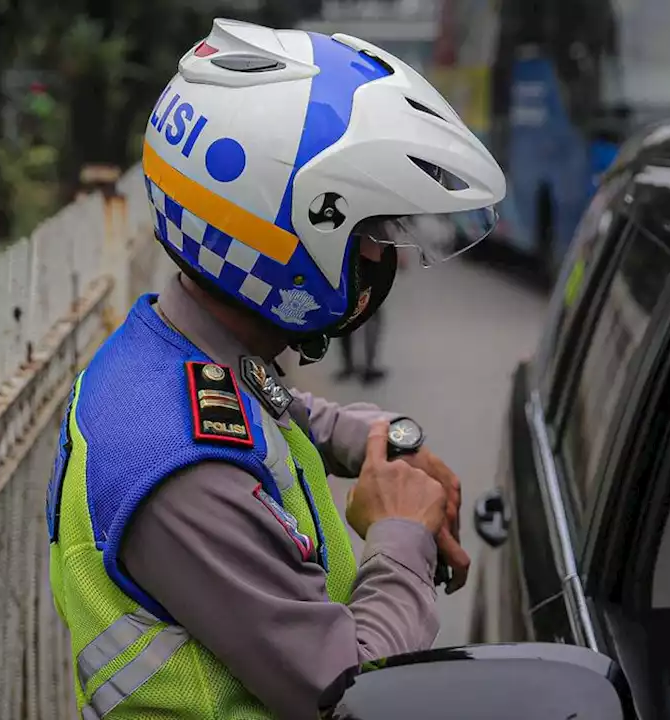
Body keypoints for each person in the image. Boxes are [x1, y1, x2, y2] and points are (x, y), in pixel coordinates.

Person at [46, 18, 505, 720]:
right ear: (293, 239)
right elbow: (347, 693)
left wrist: (380, 438)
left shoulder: (172, 350)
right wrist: (401, 535)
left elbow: (274, 406)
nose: (388, 260)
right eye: (376, 235)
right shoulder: (186, 474)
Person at [334, 248, 408, 384]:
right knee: (371, 313)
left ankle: (349, 365)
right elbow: (390, 229)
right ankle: (368, 366)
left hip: (348, 257)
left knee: (346, 312)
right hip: (373, 257)